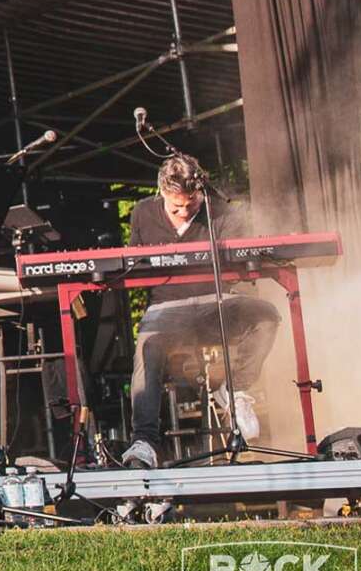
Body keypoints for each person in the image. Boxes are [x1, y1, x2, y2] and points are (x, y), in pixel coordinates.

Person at [120, 154, 280, 469]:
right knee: (147, 348)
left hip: (216, 301)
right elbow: (133, 266)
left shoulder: (218, 211)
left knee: (266, 316)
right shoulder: (143, 213)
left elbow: (241, 257)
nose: (183, 213)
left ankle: (235, 390)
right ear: (161, 192)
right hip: (167, 307)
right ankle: (144, 441)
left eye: (190, 206)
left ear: (199, 193)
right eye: (175, 207)